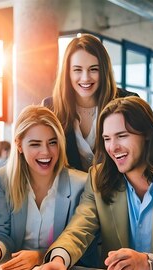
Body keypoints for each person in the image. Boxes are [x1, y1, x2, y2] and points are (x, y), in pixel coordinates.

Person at [32, 96, 153, 270]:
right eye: (107, 138)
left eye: (122, 136)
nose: (113, 147)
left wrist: (147, 264)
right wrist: (59, 259)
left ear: (147, 135)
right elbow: (78, 229)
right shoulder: (97, 178)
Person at [0, 105, 96, 270]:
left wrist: (40, 257)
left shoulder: (81, 183)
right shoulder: (4, 179)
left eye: (52, 142)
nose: (46, 152)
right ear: (19, 145)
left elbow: (84, 247)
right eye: (35, 144)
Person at [42, 33, 138, 172]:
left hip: (119, 190)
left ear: (104, 71)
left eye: (93, 69)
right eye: (77, 70)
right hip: (68, 191)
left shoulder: (129, 103)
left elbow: (141, 154)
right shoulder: (50, 108)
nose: (85, 78)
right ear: (67, 72)